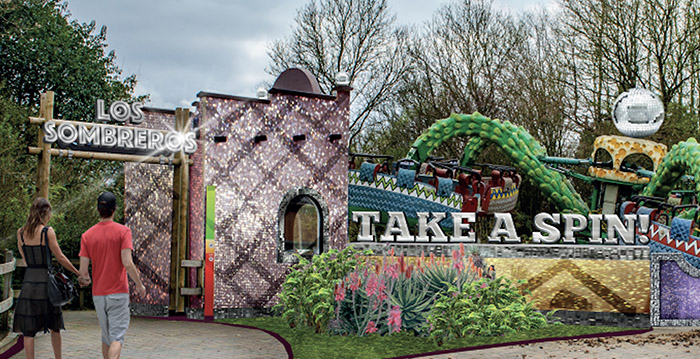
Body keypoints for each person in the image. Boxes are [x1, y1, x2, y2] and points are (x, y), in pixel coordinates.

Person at [79, 191, 146, 359]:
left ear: (98, 210)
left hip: (98, 294)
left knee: (106, 336)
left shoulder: (87, 235)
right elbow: (127, 262)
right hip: (118, 292)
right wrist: (139, 284)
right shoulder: (123, 232)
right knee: (117, 338)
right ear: (114, 209)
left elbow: (83, 272)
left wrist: (85, 279)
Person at [13, 197, 80, 359]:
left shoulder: (21, 233)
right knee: (54, 327)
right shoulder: (47, 231)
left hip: (29, 284)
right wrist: (78, 273)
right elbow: (61, 257)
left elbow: (26, 259)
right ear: (45, 212)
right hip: (46, 285)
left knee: (28, 331)